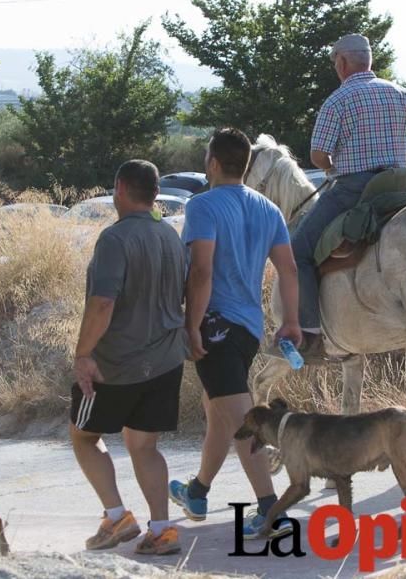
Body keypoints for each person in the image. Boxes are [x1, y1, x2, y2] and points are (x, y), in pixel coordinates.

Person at [169, 127, 303, 539]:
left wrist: (191, 325)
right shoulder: (268, 208)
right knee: (218, 416)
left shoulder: (203, 206)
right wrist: (292, 321)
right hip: (247, 330)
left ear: (212, 163)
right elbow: (289, 270)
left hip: (216, 327)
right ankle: (197, 492)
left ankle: (270, 509)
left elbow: (202, 270)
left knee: (244, 422)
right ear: (244, 164)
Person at [294, 33, 406, 359]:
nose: (336, 68)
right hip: (401, 187)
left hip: (355, 190)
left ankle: (312, 334)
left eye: (335, 63)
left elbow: (318, 156)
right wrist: (402, 153)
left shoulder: (338, 100)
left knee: (298, 250)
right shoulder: (400, 93)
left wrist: (332, 164)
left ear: (343, 62)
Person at [70, 160, 188, 555]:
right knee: (144, 446)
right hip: (167, 360)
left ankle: (117, 515)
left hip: (117, 365)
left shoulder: (115, 239)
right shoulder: (170, 236)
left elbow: (103, 303)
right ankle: (162, 529)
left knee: (84, 435)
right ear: (154, 191)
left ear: (120, 187)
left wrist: (83, 354)